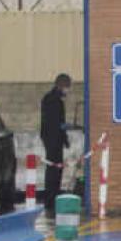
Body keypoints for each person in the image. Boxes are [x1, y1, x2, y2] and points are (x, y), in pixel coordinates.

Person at [40, 73, 71, 214]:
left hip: (50, 138)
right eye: (67, 87)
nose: (68, 91)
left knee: (54, 168)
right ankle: (51, 198)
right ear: (62, 86)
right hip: (53, 139)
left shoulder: (50, 98)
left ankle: (51, 197)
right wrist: (63, 135)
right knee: (54, 169)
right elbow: (56, 123)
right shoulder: (54, 101)